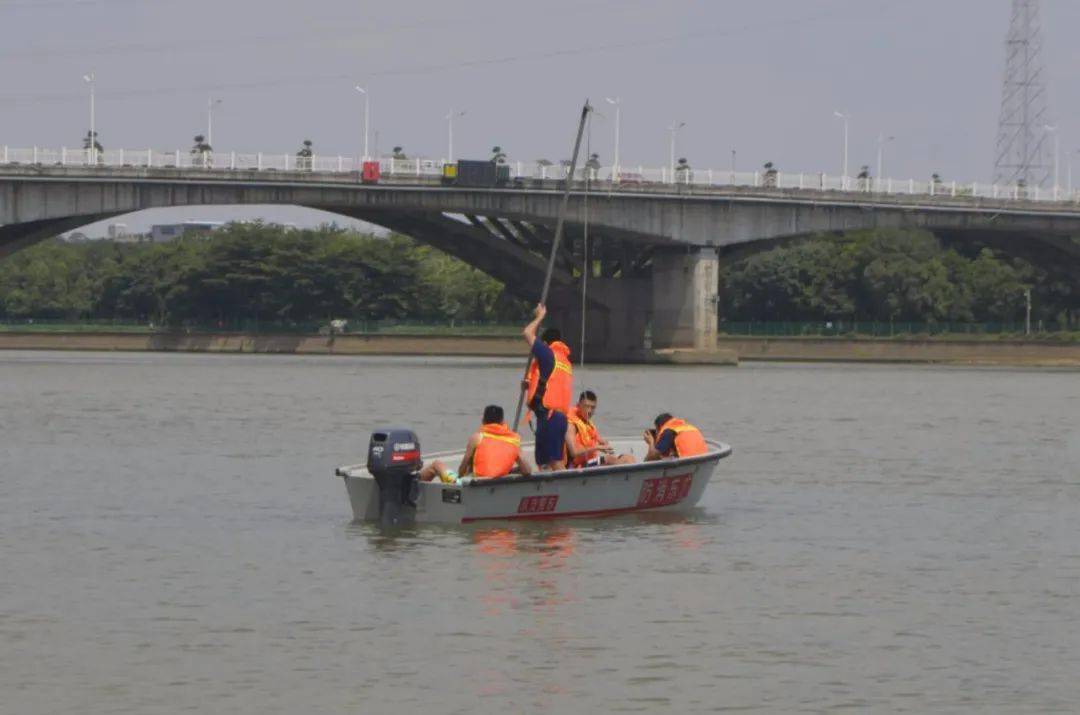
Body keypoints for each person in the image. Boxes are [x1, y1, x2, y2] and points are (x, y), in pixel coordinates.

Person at [522, 304, 573, 470]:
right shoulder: (564, 361)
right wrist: (529, 386)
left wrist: (539, 317)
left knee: (555, 462)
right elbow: (548, 382)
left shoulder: (548, 354)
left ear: (545, 343)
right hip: (549, 417)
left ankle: (569, 490)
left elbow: (527, 333)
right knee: (543, 462)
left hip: (551, 417)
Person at [458, 405, 532, 479]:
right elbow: (527, 470)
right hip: (500, 482)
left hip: (479, 482)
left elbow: (463, 466)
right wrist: (510, 471)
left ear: (483, 420)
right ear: (502, 421)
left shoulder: (477, 438)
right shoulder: (513, 440)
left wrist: (459, 477)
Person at [565, 390, 635, 467]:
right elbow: (574, 452)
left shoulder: (587, 423)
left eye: (592, 407)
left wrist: (603, 443)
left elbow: (595, 438)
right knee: (608, 459)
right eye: (586, 406)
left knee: (629, 458)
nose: (589, 411)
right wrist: (597, 447)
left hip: (592, 461)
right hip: (579, 465)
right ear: (578, 405)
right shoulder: (571, 425)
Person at [643, 413, 708, 461]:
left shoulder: (668, 432)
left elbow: (651, 458)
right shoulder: (687, 427)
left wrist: (651, 442)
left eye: (656, 431)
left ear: (660, 426)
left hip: (688, 465)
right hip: (702, 461)